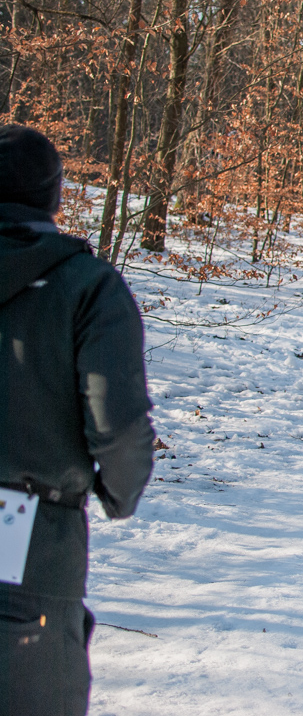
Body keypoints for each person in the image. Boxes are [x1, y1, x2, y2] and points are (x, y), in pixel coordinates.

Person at [0, 125, 155, 716]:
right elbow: (116, 421)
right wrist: (119, 492)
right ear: (55, 197)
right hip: (22, 519)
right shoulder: (85, 286)